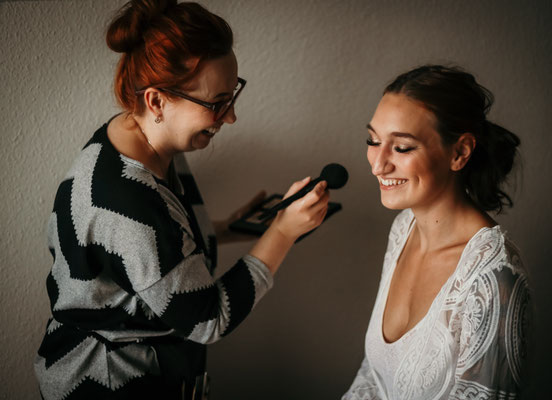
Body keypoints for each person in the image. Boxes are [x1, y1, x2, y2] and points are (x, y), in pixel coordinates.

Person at [33, 0, 330, 398]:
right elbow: (208, 319)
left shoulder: (144, 139)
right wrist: (281, 233)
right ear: (157, 101)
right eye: (216, 103)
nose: (230, 117)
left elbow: (157, 254)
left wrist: (225, 228)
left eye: (233, 95)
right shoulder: (126, 200)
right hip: (109, 383)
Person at [342, 65, 531, 399]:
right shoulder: (404, 228)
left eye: (401, 148)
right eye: (373, 140)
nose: (377, 164)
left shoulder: (492, 278)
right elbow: (374, 375)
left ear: (459, 153)